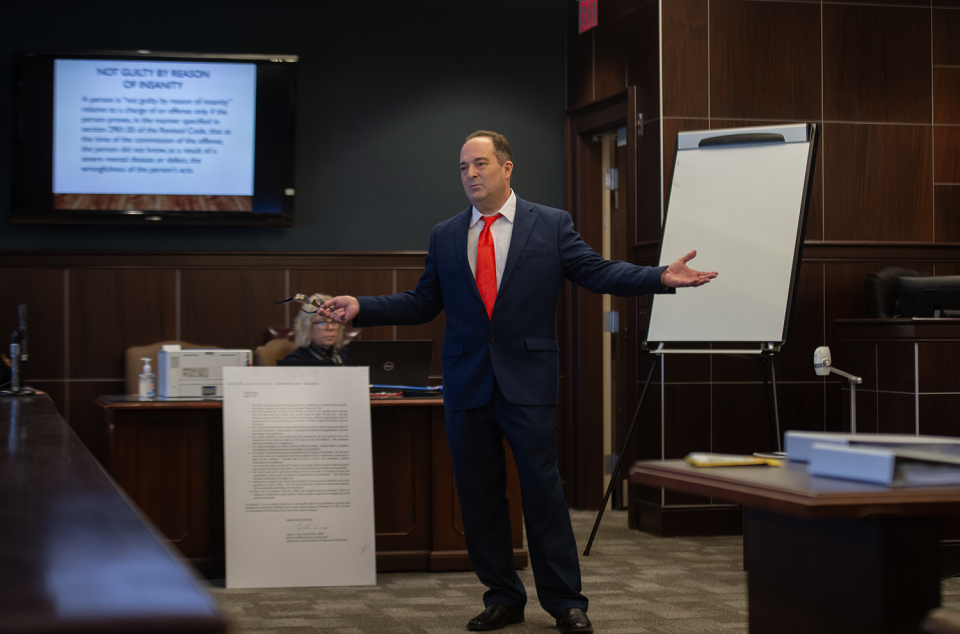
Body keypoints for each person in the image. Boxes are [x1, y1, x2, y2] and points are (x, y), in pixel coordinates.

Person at [320, 131, 717, 633]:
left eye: (480, 164)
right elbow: (423, 302)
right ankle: (502, 597)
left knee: (542, 495)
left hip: (527, 381)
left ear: (507, 168)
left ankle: (566, 603)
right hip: (467, 383)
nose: (470, 174)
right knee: (480, 498)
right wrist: (363, 307)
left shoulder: (549, 225)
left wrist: (658, 277)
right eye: (463, 167)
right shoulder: (445, 234)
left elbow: (596, 272)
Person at [278, 293, 349, 366]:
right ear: (307, 326)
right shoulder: (296, 361)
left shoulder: (347, 355)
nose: (330, 328)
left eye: (334, 321)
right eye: (322, 322)